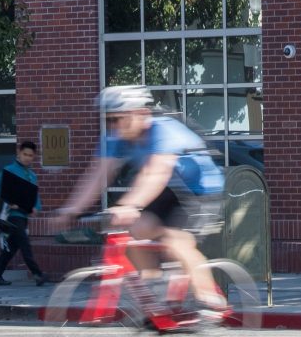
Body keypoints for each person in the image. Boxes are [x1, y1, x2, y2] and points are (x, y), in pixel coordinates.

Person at [57, 85, 227, 310]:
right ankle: (155, 295)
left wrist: (130, 205)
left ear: (141, 114)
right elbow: (96, 175)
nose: (112, 126)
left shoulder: (164, 130)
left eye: (117, 119)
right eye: (108, 120)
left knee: (175, 242)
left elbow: (155, 173)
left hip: (199, 192)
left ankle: (210, 299)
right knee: (132, 233)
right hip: (166, 192)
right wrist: (71, 209)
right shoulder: (115, 138)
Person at [0, 140, 52, 286]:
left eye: (30, 155)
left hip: (23, 216)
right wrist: (10, 202)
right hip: (13, 216)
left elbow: (35, 196)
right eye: (25, 154)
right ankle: (37, 274)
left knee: (11, 247)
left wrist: (36, 207)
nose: (27, 157)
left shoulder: (32, 175)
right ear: (19, 153)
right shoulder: (9, 170)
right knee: (25, 245)